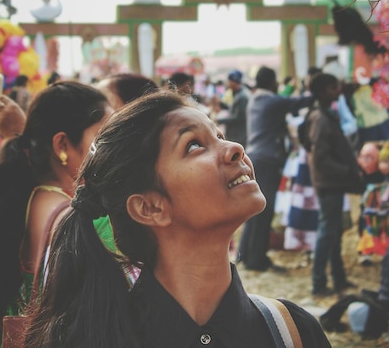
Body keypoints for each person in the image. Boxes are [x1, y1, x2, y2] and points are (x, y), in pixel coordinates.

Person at [24, 90, 331, 348]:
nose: (235, 148)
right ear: (150, 208)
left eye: (220, 135)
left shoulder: (294, 333)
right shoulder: (93, 338)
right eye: (194, 145)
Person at [0, 80, 112, 347]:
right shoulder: (77, 218)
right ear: (62, 145)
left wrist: (4, 133)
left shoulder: (23, 197)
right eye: (104, 137)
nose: (113, 149)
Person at [237, 66, 314, 271]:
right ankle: (257, 260)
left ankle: (246, 255)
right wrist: (314, 88)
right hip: (267, 159)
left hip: (257, 157)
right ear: (272, 82)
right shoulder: (270, 100)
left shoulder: (256, 98)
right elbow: (299, 102)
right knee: (264, 209)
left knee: (255, 209)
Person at [304, 73, 365, 297]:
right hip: (329, 184)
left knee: (333, 233)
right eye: (332, 88)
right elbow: (321, 157)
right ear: (322, 92)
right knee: (327, 233)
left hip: (333, 183)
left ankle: (338, 280)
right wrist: (347, 171)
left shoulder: (326, 114)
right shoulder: (320, 118)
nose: (337, 91)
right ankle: (319, 283)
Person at [216, 70, 250, 145]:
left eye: (229, 81)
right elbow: (234, 109)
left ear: (234, 81)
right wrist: (222, 104)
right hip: (236, 134)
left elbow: (238, 117)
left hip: (238, 135)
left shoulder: (242, 96)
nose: (228, 84)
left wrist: (219, 120)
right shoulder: (239, 93)